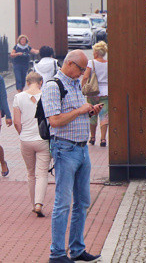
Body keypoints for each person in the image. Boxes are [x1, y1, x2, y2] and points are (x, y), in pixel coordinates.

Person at [43, 50, 103, 263]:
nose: (82, 74)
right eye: (80, 69)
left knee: (83, 201)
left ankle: (77, 248)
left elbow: (74, 111)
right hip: (65, 149)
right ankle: (57, 253)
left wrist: (89, 111)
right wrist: (80, 111)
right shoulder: (53, 86)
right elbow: (55, 121)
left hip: (81, 148)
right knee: (63, 203)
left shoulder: (75, 83)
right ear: (69, 64)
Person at [12, 72, 50, 217]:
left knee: (30, 173)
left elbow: (17, 121)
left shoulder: (18, 97)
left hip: (26, 139)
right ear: (41, 82)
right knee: (42, 174)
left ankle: (33, 203)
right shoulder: (46, 95)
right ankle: (39, 203)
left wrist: (22, 134)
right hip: (42, 139)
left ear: (28, 82)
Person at [82, 42, 109, 147]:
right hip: (106, 92)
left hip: (93, 92)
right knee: (104, 116)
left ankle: (92, 137)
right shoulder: (108, 64)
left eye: (94, 51)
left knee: (92, 114)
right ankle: (103, 139)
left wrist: (83, 87)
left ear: (97, 53)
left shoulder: (91, 63)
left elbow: (85, 77)